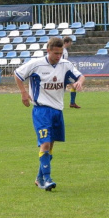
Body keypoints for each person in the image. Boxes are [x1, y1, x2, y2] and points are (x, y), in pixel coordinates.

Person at [14, 37, 85, 191]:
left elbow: (80, 75)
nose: (58, 56)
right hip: (41, 110)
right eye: (55, 53)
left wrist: (79, 82)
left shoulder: (65, 64)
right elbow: (18, 74)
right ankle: (47, 179)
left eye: (60, 53)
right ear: (48, 50)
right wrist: (23, 93)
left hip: (58, 110)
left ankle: (39, 178)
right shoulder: (36, 64)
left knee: (50, 146)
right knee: (45, 144)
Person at [62, 36, 80, 109]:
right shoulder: (61, 50)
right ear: (66, 42)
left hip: (65, 71)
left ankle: (72, 103)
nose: (71, 44)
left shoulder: (64, 50)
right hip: (62, 72)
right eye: (70, 42)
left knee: (74, 84)